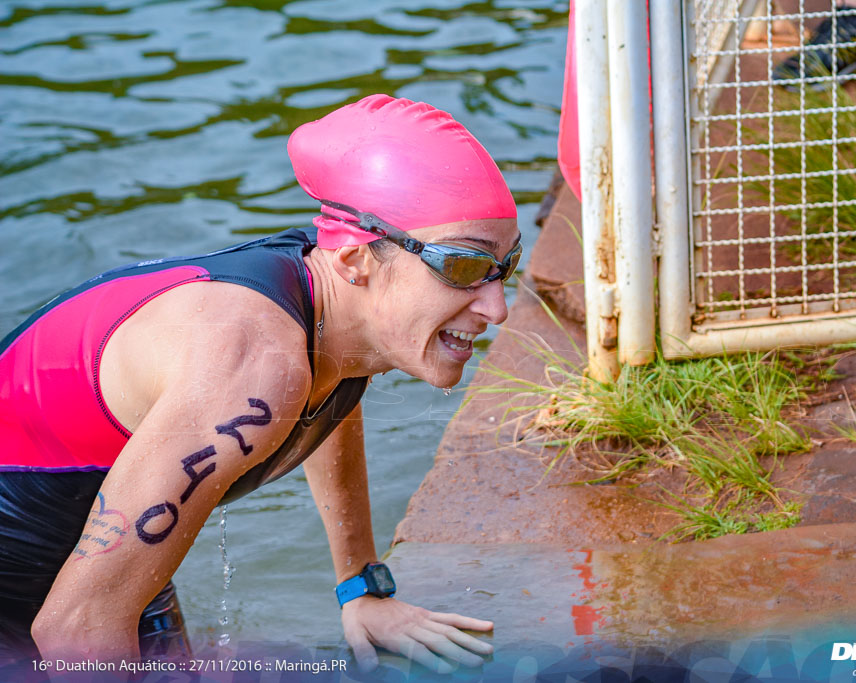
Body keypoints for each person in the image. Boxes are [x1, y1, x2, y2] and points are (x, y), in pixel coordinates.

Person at [0, 94, 522, 674]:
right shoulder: (253, 365)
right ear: (356, 260)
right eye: (465, 266)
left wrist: (362, 587)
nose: (497, 307)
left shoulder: (332, 308)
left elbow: (331, 393)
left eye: (505, 265)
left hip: (101, 561)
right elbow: (77, 625)